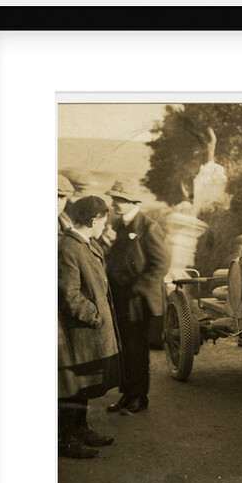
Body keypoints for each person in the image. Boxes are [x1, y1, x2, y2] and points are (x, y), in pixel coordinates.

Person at [58, 196, 121, 458]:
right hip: (81, 331)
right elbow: (69, 295)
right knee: (73, 387)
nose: (105, 226)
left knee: (84, 384)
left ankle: (81, 429)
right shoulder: (69, 248)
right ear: (94, 221)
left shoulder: (87, 244)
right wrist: (95, 316)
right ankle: (67, 439)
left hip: (88, 331)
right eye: (103, 222)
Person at [104, 180, 170, 415]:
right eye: (114, 199)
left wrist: (137, 288)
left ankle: (140, 397)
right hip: (120, 297)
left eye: (120, 200)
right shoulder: (119, 226)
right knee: (125, 347)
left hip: (137, 300)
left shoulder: (148, 228)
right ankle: (127, 394)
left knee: (137, 349)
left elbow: (161, 264)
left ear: (132, 202)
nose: (114, 204)